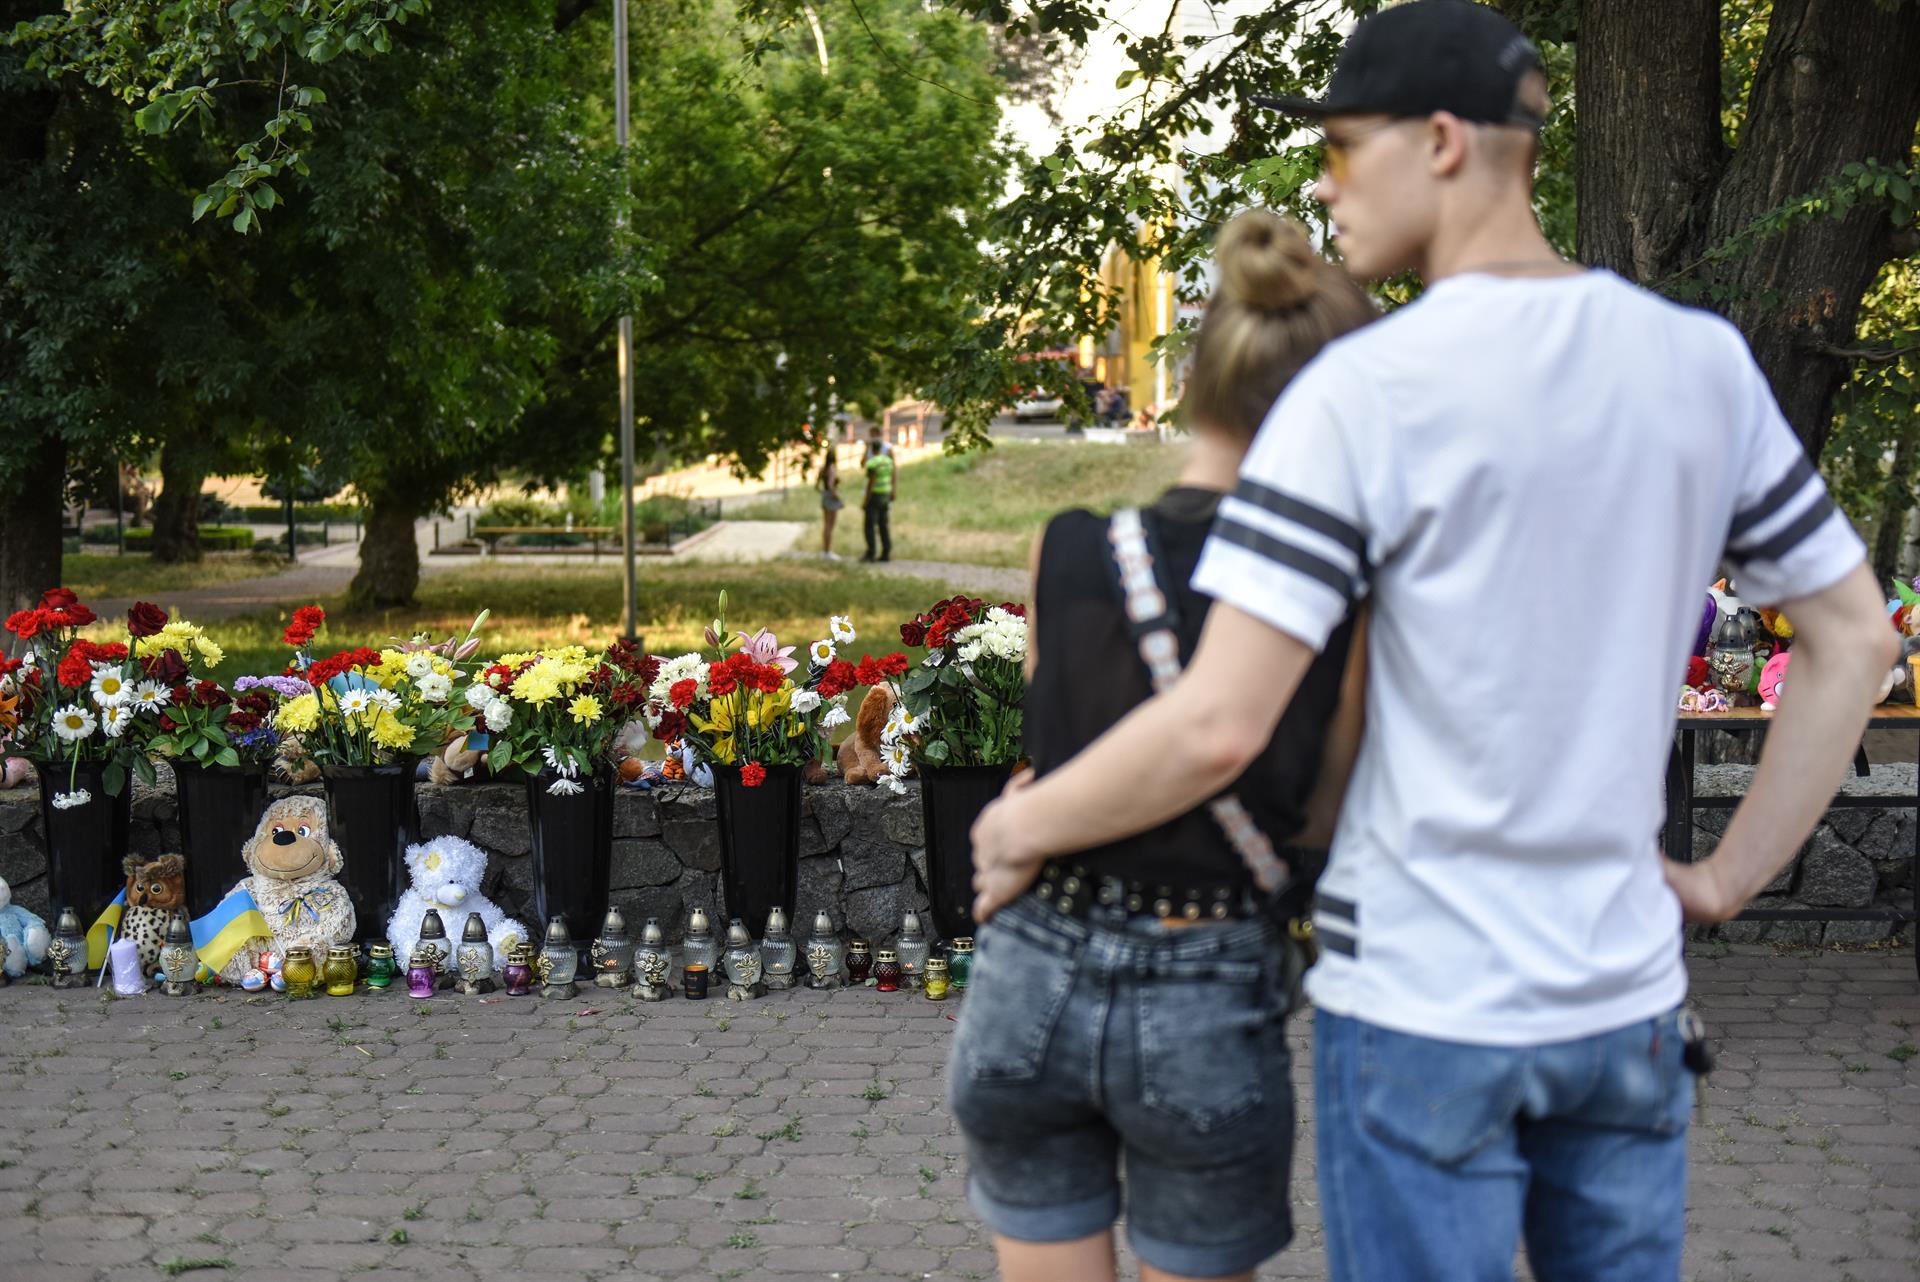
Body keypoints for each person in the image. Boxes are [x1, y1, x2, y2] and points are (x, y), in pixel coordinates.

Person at [967, 3, 1896, 1281]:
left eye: (1346, 150)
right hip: (1623, 1001)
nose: (1328, 186)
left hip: (1420, 1006)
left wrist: (1016, 827)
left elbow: (1221, 723)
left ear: (1444, 141)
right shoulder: (1700, 365)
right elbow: (1855, 640)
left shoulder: (1359, 394)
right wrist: (1725, 881)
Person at [948, 211, 1376, 1282]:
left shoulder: (1070, 549)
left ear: (1194, 383)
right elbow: (1323, 807)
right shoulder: (1340, 590)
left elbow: (1056, 756)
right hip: (1205, 969)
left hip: (1031, 965)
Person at [861, 425, 894, 562]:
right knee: (883, 524)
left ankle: (871, 552)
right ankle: (886, 551)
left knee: (869, 525)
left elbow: (871, 482)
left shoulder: (872, 463)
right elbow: (892, 474)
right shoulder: (887, 461)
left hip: (874, 495)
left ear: (871, 448)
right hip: (886, 493)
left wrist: (865, 500)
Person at [816, 440, 843, 560]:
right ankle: (828, 551)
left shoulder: (822, 468)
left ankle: (825, 550)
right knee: (830, 526)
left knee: (826, 525)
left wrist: (823, 493)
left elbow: (816, 486)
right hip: (831, 497)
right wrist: (838, 497)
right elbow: (831, 485)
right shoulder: (832, 468)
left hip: (825, 496)